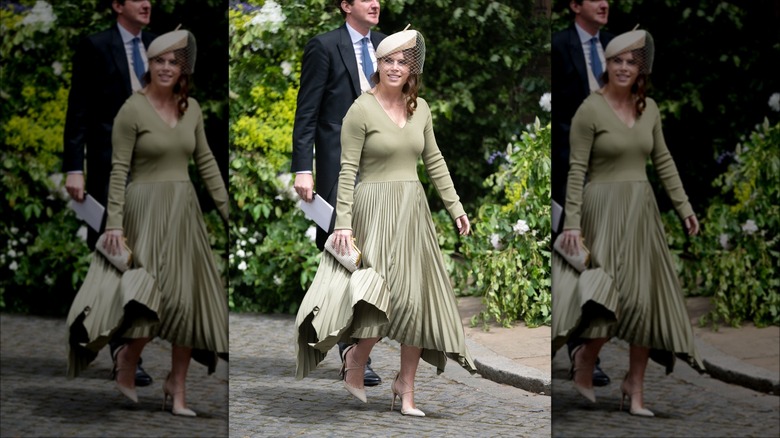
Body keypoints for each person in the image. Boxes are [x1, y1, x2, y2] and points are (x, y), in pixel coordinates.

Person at [294, 27, 476, 417]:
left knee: (417, 301)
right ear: (377, 65)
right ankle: (356, 359)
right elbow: (346, 171)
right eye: (388, 60)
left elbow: (435, 161)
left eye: (403, 62)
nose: (395, 67)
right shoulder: (360, 110)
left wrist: (456, 207)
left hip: (413, 212)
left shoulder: (420, 108)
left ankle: (405, 387)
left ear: (413, 69)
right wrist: (342, 223)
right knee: (380, 298)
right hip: (373, 210)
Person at [65, 28, 229, 417]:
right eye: (159, 61)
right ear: (148, 65)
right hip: (143, 211)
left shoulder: (192, 109)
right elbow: (117, 171)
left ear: (182, 68)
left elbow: (205, 162)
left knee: (187, 301)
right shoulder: (132, 109)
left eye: (174, 61)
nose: (167, 67)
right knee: (150, 297)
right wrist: (114, 225)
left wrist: (227, 210)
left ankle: (178, 389)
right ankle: (127, 355)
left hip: (183, 213)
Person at [552, 29, 704, 417]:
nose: (623, 67)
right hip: (602, 209)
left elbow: (664, 161)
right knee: (609, 297)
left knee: (645, 301)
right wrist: (571, 223)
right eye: (617, 60)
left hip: (642, 212)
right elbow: (576, 169)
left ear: (642, 70)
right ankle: (586, 357)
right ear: (607, 65)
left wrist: (684, 208)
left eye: (631, 62)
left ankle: (634, 386)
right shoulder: (591, 108)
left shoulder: (648, 108)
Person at [291, 0, 385, 387]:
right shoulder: (324, 46)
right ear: (347, 6)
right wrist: (303, 167)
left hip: (380, 171)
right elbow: (307, 110)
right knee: (347, 257)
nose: (376, 3)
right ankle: (350, 348)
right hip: (337, 169)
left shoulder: (386, 47)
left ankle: (353, 345)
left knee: (375, 255)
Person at [62, 0, 155, 388]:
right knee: (118, 259)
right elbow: (79, 108)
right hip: (107, 170)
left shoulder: (156, 47)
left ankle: (119, 342)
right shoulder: (96, 46)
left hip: (151, 174)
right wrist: (74, 167)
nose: (147, 3)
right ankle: (123, 348)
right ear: (118, 6)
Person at [551, 0, 613, 387]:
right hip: (569, 167)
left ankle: (588, 349)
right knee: (575, 258)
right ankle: (577, 345)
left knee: (603, 259)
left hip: (611, 173)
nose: (605, 3)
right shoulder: (559, 46)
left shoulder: (617, 48)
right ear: (575, 5)